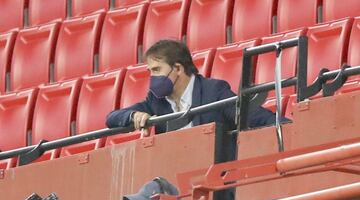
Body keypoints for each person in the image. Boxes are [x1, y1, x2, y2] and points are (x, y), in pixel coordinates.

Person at [106, 39, 277, 135]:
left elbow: (256, 118)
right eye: (150, 71)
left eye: (157, 70)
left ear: (178, 68)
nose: (153, 77)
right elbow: (112, 118)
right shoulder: (156, 101)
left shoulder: (214, 91)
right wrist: (134, 115)